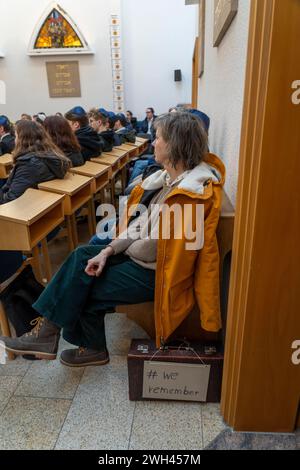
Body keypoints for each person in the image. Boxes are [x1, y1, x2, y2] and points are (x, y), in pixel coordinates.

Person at [0, 112, 225, 367]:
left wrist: (123, 251)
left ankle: (75, 342)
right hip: (147, 262)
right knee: (82, 257)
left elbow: (152, 249)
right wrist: (108, 250)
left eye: (158, 138)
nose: (153, 143)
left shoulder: (190, 196)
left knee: (82, 282)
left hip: (159, 275)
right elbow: (139, 225)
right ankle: (50, 334)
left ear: (174, 144)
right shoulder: (172, 182)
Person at [0, 120, 70, 204]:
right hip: (41, 204)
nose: (14, 140)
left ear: (22, 140)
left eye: (16, 136)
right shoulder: (50, 156)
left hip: (22, 210)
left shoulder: (29, 164)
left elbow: (11, 199)